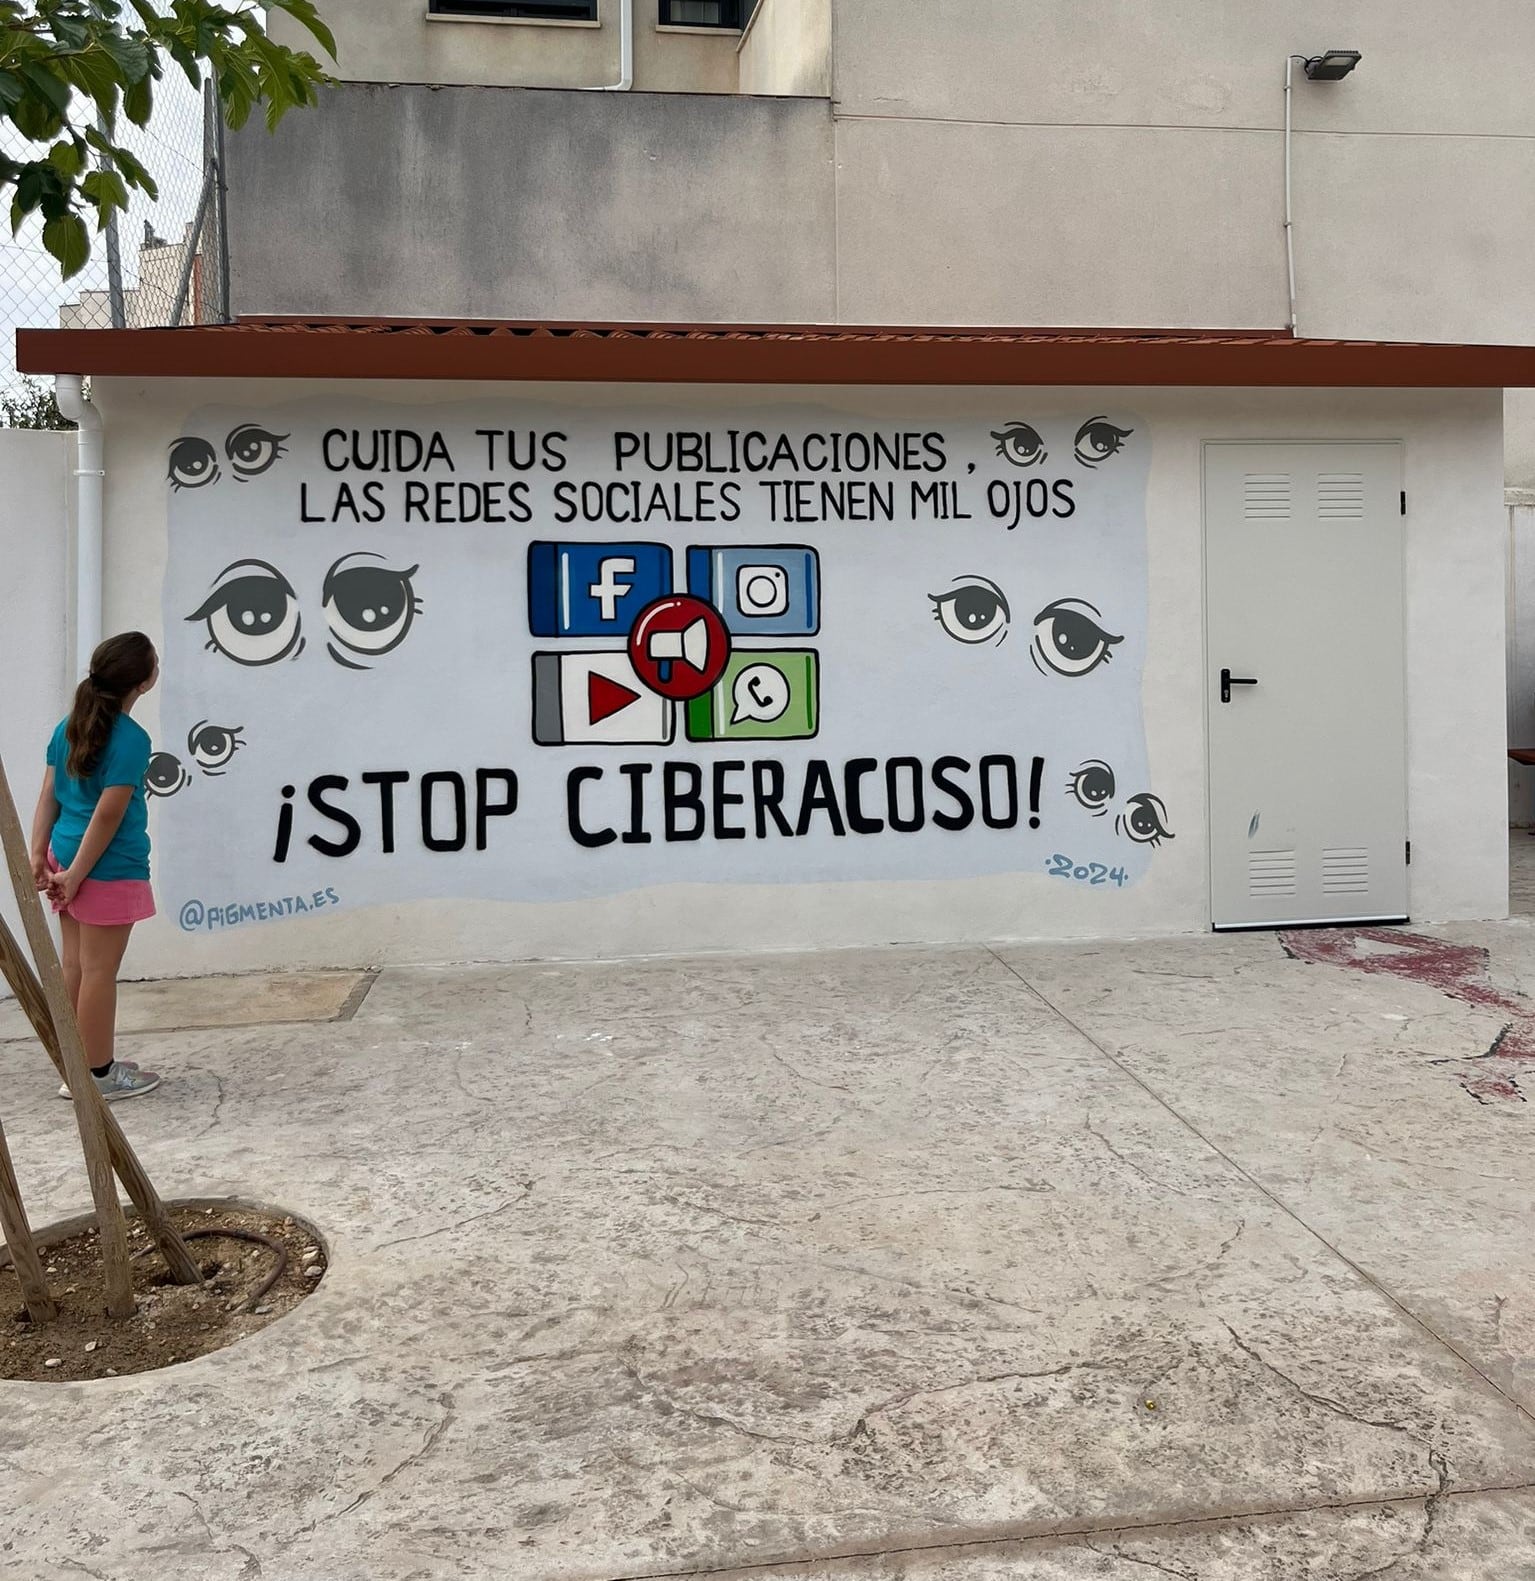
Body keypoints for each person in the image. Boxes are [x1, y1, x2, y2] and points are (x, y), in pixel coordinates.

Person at [29, 632, 162, 1101]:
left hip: (66, 857)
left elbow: (48, 794)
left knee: (76, 965)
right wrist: (77, 875)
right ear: (144, 682)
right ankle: (98, 1075)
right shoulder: (131, 739)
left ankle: (78, 1064)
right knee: (100, 971)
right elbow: (109, 813)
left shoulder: (69, 724)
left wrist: (39, 856)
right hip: (105, 868)